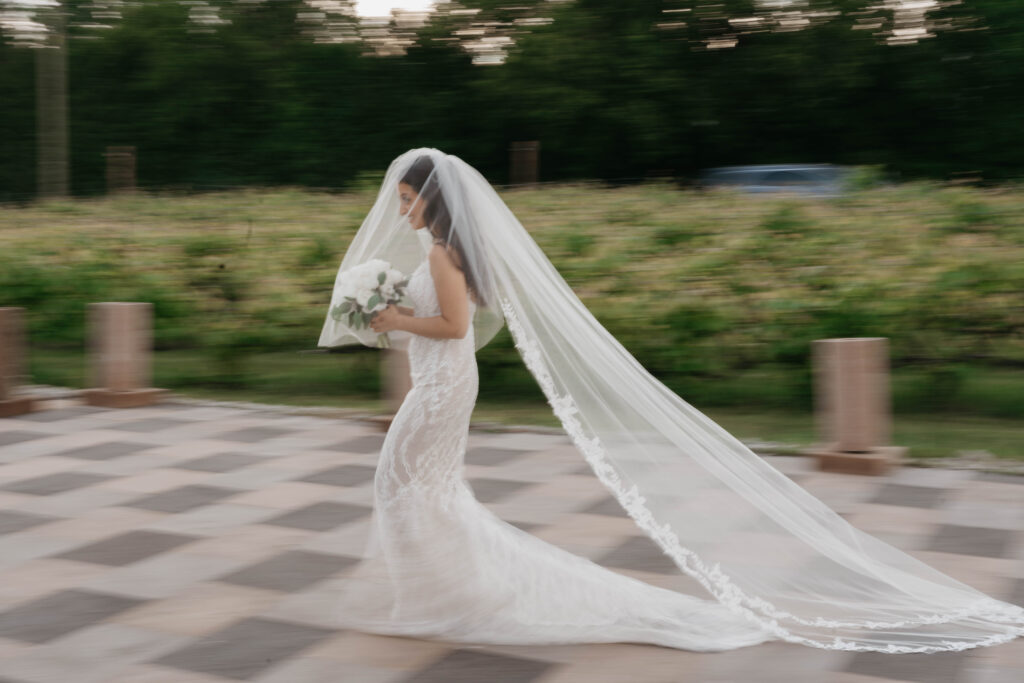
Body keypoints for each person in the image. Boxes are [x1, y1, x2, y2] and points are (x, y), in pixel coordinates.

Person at [318, 148, 1024, 653]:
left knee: (402, 484)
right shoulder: (443, 250)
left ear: (429, 197)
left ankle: (437, 593)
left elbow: (452, 326)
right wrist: (390, 321)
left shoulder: (442, 253)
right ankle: (441, 590)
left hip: (443, 386)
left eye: (406, 195)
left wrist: (390, 319)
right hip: (444, 381)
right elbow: (443, 328)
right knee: (421, 490)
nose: (399, 205)